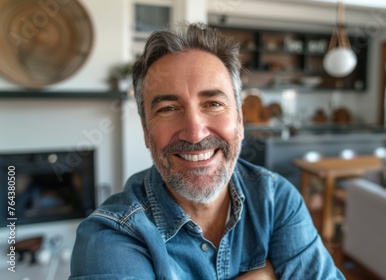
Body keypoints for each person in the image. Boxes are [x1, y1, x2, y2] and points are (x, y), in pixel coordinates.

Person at [70, 22, 345, 280]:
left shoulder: (276, 200)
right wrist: (264, 274)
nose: (195, 132)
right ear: (146, 131)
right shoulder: (109, 236)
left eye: (213, 103)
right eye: (167, 109)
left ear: (239, 120)